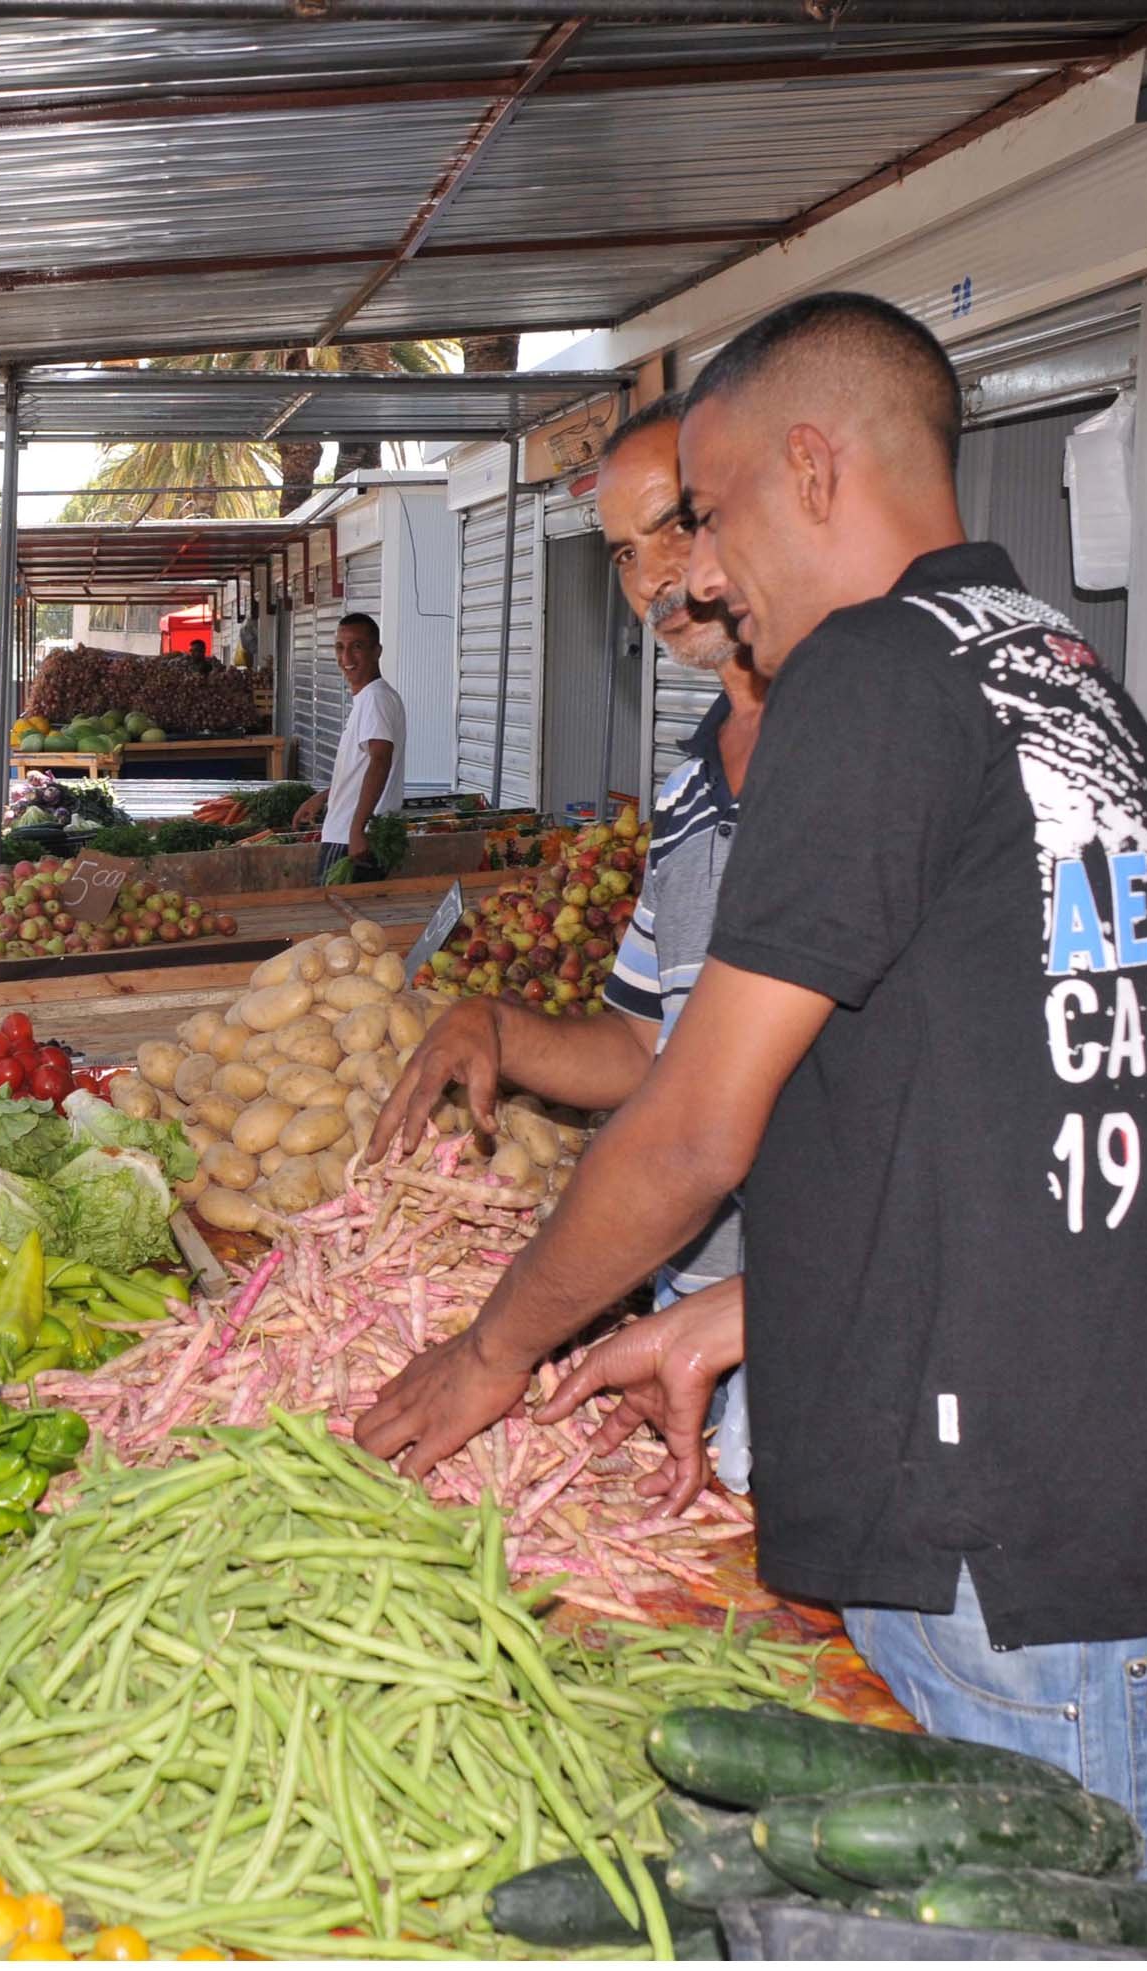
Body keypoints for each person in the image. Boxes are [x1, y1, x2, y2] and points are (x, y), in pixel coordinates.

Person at [354, 293, 1147, 1878]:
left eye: (705, 517)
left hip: (1009, 1551)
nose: (699, 572)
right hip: (1109, 1512)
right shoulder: (1057, 671)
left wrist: (492, 1351)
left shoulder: (866, 677)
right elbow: (1020, 1103)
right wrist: (746, 1311)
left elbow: (693, 1120)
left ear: (809, 464)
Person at [370, 396, 768, 1482]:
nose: (651, 580)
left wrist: (498, 1346)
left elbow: (699, 1126)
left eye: (674, 528)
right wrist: (489, 1025)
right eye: (624, 553)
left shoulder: (834, 763)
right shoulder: (687, 794)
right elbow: (642, 1048)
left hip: (812, 1313)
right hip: (695, 1312)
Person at [291, 612, 405, 882]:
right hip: (351, 833)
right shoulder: (372, 698)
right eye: (340, 647)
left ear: (377, 651)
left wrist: (357, 829)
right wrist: (324, 797)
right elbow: (362, 767)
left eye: (357, 646)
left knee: (335, 920)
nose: (346, 658)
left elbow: (380, 761)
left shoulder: (376, 699)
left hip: (348, 840)